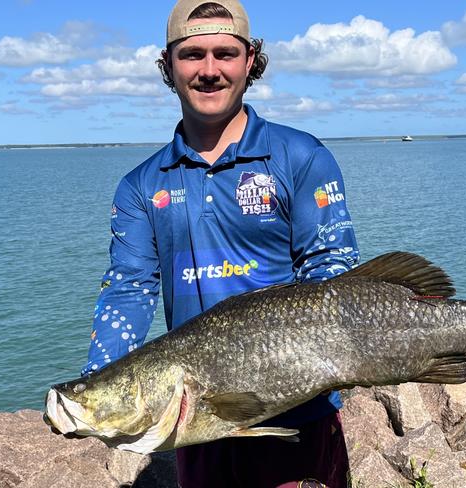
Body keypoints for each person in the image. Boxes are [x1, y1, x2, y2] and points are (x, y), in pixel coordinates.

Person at [82, 1, 360, 486]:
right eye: (192, 55)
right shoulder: (140, 186)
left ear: (250, 61)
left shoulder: (300, 155)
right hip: (202, 425)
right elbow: (129, 289)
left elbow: (331, 273)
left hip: (298, 418)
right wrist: (101, 388)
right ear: (167, 65)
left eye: (224, 54)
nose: (209, 70)